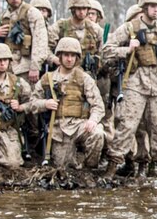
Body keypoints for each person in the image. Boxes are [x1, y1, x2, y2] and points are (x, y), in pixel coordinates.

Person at [102, 0, 157, 179]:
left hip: (156, 85)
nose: (156, 10)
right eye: (153, 6)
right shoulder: (129, 28)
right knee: (127, 126)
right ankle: (113, 165)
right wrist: (127, 48)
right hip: (135, 84)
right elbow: (106, 51)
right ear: (144, 7)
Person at [33, 37, 106, 169]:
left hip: (80, 125)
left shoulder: (83, 78)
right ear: (60, 56)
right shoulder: (48, 79)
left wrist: (93, 121)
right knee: (63, 167)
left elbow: (98, 105)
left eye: (73, 56)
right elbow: (32, 103)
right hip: (58, 130)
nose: (69, 59)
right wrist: (45, 103)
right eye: (66, 55)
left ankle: (90, 169)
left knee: (98, 134)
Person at [0, 0, 49, 85]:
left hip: (25, 68)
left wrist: (35, 67)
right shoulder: (2, 17)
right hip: (6, 68)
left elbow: (40, 42)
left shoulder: (32, 13)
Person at [47, 0, 104, 79]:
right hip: (63, 75)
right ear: (73, 9)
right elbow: (46, 48)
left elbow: (102, 51)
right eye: (79, 9)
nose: (82, 12)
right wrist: (54, 59)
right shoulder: (60, 26)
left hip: (88, 76)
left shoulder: (95, 29)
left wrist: (97, 61)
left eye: (84, 9)